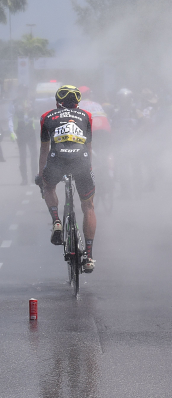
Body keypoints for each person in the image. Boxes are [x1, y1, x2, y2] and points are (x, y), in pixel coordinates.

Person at [35, 85, 96, 273]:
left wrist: (41, 176)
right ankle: (89, 256)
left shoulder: (46, 116)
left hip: (57, 160)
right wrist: (89, 169)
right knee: (88, 207)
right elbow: (88, 147)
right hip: (81, 161)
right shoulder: (86, 116)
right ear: (78, 103)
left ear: (57, 101)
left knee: (48, 186)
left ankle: (57, 222)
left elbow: (44, 149)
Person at [8, 86, 38, 184]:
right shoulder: (14, 103)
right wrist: (11, 131)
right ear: (19, 92)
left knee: (34, 155)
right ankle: (24, 178)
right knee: (23, 156)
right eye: (22, 91)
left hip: (30, 130)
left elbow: (36, 114)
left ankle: (34, 176)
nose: (25, 93)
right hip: (20, 131)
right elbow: (10, 117)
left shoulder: (32, 101)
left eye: (26, 91)